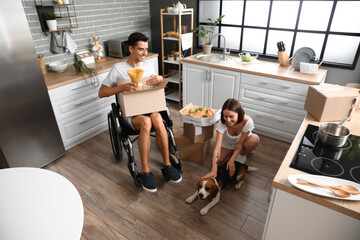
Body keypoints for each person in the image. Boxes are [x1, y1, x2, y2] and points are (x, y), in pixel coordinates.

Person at [98, 32, 182, 192]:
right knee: (146, 121)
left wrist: (158, 78)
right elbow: (101, 93)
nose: (145, 53)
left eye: (146, 49)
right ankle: (145, 171)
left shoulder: (148, 65)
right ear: (131, 48)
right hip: (132, 115)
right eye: (141, 49)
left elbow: (155, 85)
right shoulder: (119, 68)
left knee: (157, 118)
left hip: (150, 108)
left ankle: (167, 164)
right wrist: (121, 87)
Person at [203, 98, 259, 179]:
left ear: (239, 114)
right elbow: (217, 148)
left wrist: (232, 159)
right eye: (225, 116)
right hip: (228, 143)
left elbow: (240, 144)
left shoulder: (247, 121)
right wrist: (214, 169)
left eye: (231, 116)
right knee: (219, 162)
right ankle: (232, 153)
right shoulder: (221, 124)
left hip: (242, 142)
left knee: (253, 140)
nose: (228, 120)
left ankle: (242, 153)